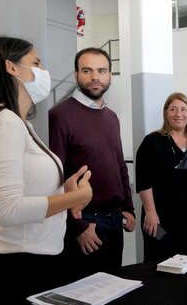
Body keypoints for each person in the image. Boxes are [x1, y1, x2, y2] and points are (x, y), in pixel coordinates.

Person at [0, 36, 93, 305]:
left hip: (35, 260)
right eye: (35, 63)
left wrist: (63, 188)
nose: (43, 71)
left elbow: (25, 187)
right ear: (12, 68)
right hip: (21, 266)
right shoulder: (5, 121)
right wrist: (75, 198)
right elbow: (7, 208)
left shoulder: (16, 122)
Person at [49, 47, 135, 279]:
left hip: (114, 219)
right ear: (76, 74)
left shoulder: (111, 117)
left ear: (110, 75)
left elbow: (119, 166)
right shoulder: (59, 115)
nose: (95, 77)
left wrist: (128, 207)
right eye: (87, 70)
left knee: (113, 288)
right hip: (85, 223)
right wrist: (77, 228)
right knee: (84, 293)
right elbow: (54, 179)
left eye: (102, 71)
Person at [135, 92, 187, 262]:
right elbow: (143, 180)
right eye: (173, 109)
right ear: (166, 113)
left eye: (183, 109)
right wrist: (150, 211)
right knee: (159, 259)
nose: (179, 114)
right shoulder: (153, 141)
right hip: (159, 220)